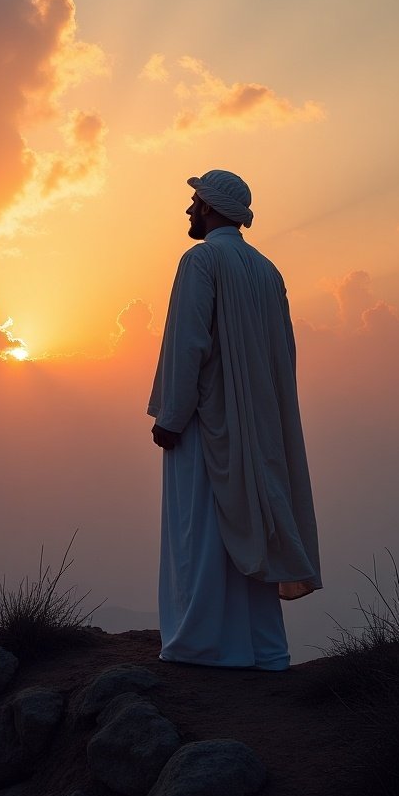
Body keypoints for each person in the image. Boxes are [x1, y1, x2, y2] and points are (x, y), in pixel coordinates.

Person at [147, 169, 320, 671]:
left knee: (198, 530)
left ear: (210, 207)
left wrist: (172, 416)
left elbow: (188, 343)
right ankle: (260, 649)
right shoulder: (267, 270)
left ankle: (199, 644)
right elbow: (282, 352)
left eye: (194, 201)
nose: (188, 210)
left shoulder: (201, 260)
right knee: (249, 524)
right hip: (258, 424)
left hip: (209, 421)